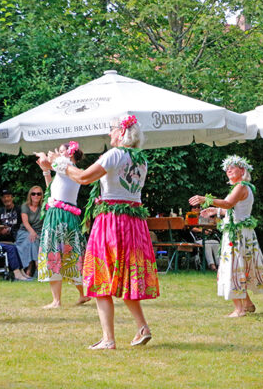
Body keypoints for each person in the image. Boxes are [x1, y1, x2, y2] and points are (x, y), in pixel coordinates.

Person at [61, 115, 159, 350]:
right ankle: (142, 327)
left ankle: (108, 339)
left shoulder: (114, 155)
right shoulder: (141, 160)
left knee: (100, 275)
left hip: (112, 221)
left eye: (112, 129)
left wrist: (61, 165)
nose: (109, 134)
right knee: (126, 275)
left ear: (122, 132)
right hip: (134, 223)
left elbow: (84, 178)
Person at [189, 155, 263, 318]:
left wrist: (206, 200)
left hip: (236, 234)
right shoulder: (243, 188)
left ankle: (239, 310)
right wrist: (215, 211)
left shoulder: (241, 187)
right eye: (227, 168)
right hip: (243, 233)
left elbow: (228, 204)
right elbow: (233, 210)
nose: (228, 169)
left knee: (231, 266)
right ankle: (248, 303)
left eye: (233, 167)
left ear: (242, 170)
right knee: (240, 266)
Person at [35, 141, 91, 308]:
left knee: (56, 253)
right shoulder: (64, 170)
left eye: (60, 151)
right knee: (68, 255)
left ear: (70, 153)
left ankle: (57, 301)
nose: (56, 154)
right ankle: (82, 294)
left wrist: (44, 158)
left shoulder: (69, 168)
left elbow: (49, 161)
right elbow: (52, 189)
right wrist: (45, 170)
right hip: (62, 214)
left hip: (60, 216)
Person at [15, 186, 44, 277]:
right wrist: (32, 232)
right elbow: (25, 222)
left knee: (33, 240)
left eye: (38, 194)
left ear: (41, 196)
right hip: (25, 231)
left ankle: (30, 268)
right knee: (32, 240)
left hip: (39, 233)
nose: (36, 196)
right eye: (33, 194)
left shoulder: (44, 207)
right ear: (30, 195)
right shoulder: (25, 206)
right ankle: (36, 266)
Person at [189, 205, 220, 271]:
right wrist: (202, 231)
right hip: (197, 239)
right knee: (207, 245)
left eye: (198, 207)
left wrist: (209, 229)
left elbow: (208, 225)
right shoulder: (191, 216)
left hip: (206, 238)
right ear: (191, 209)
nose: (197, 209)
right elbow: (192, 228)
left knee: (216, 243)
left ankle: (219, 264)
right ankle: (212, 266)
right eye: (194, 207)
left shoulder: (202, 217)